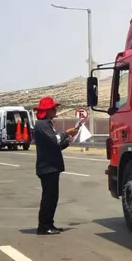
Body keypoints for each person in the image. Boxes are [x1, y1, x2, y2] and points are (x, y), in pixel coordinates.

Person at [33, 97, 77, 235]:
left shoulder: (47, 124)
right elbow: (54, 139)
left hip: (51, 167)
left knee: (52, 197)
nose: (55, 110)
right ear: (46, 111)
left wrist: (68, 140)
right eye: (53, 108)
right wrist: (66, 133)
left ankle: (49, 224)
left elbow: (55, 145)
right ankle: (44, 226)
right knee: (49, 198)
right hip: (47, 167)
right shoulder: (42, 125)